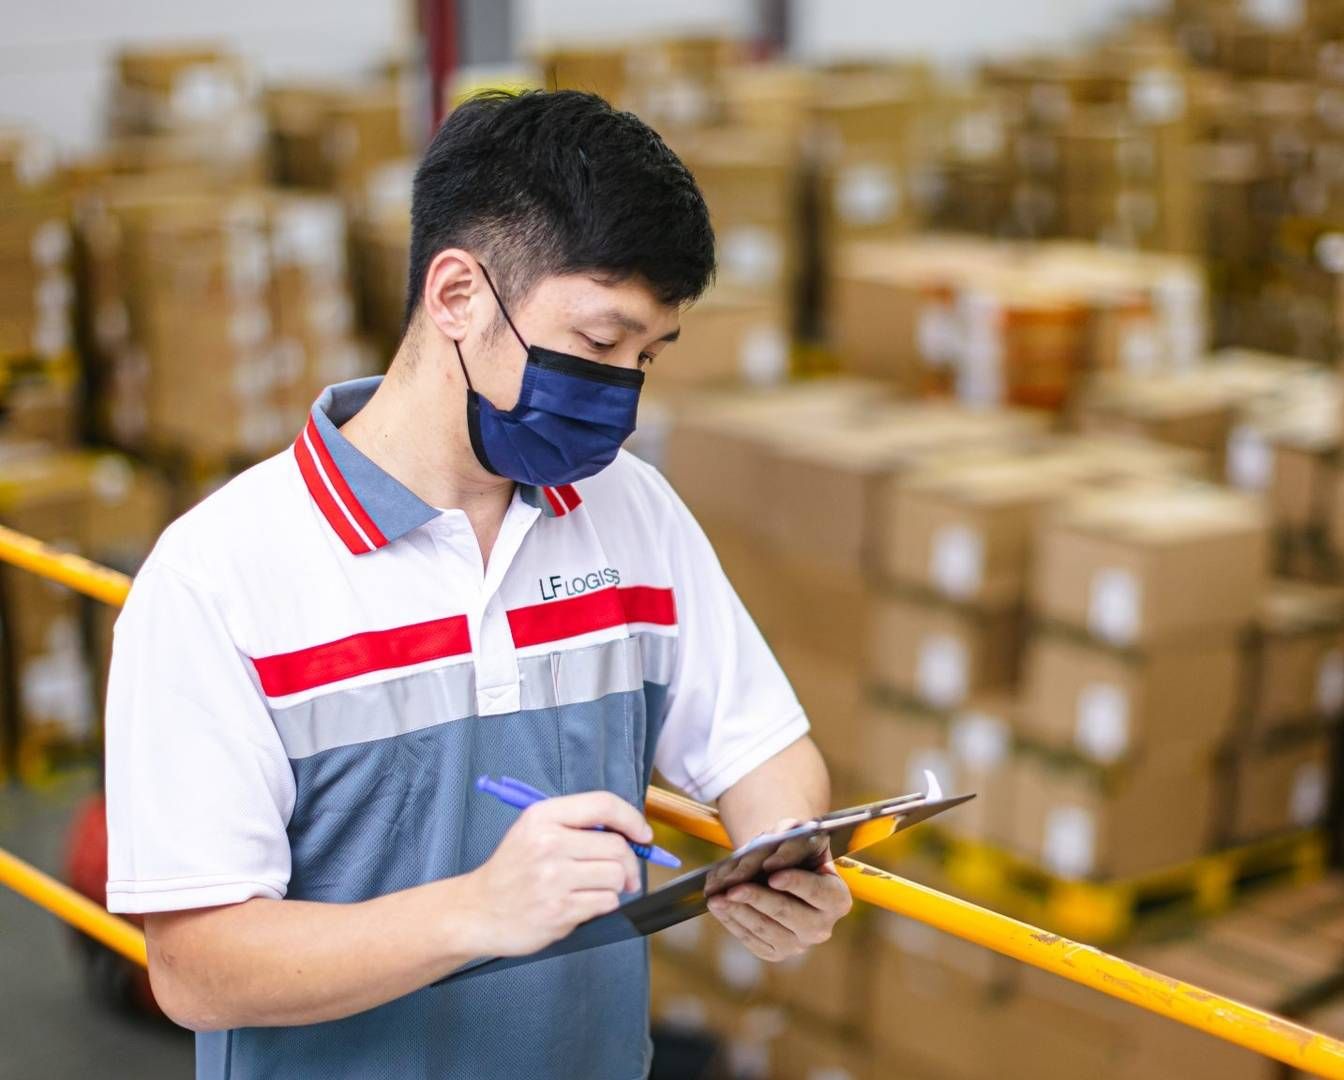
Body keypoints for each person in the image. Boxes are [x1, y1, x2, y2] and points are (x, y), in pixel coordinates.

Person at [104, 89, 850, 1079]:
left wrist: (784, 853)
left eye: (648, 358)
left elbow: (764, 748)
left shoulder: (633, 512)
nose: (621, 397)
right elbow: (197, 970)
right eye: (597, 344)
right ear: (457, 295)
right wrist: (477, 911)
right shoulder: (222, 576)